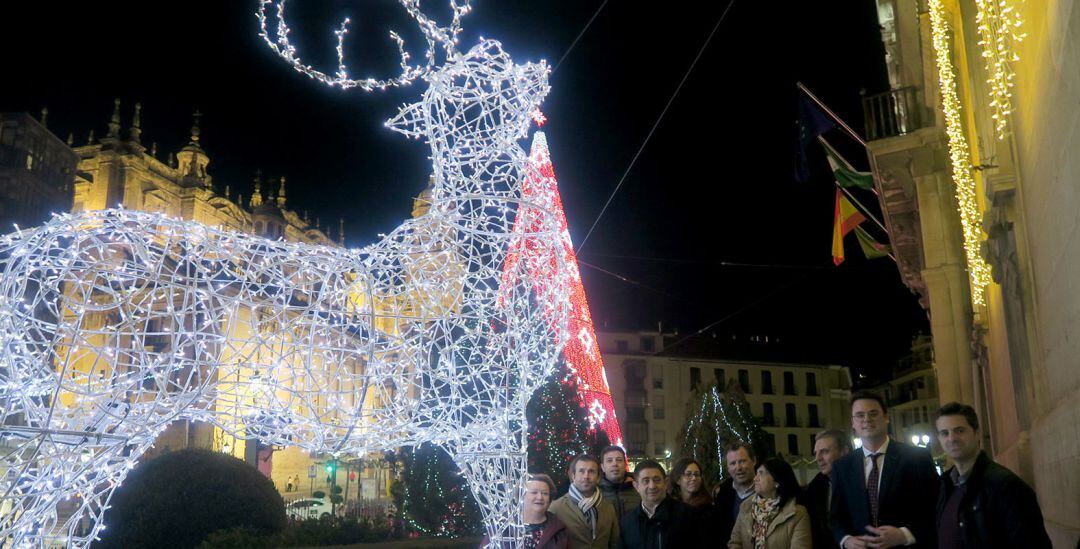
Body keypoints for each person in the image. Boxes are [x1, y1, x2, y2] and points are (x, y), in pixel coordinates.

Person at [934, 402, 1051, 549]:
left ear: (976, 433)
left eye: (959, 431)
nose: (952, 439)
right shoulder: (945, 486)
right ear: (939, 439)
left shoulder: (1006, 486)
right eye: (945, 433)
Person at [830, 391, 937, 549]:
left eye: (873, 413)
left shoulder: (917, 458)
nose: (866, 419)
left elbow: (935, 507)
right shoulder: (842, 466)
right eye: (860, 415)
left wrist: (904, 535)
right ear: (852, 423)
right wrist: (846, 540)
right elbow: (836, 517)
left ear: (886, 417)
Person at [728, 457, 811, 549]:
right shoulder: (746, 507)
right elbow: (735, 543)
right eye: (756, 473)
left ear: (777, 481)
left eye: (761, 473)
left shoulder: (797, 513)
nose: (755, 478)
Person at [617, 460, 699, 549]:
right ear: (636, 486)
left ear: (665, 483)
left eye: (657, 480)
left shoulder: (688, 515)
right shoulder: (627, 521)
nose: (652, 486)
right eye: (646, 481)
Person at [550, 454, 619, 548]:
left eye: (591, 471)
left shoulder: (608, 508)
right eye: (581, 471)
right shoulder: (556, 508)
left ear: (598, 478)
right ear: (573, 476)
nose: (586, 476)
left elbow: (614, 543)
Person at [807, 429, 852, 549]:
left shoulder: (864, 479)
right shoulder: (815, 487)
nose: (818, 458)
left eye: (824, 452)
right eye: (816, 453)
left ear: (844, 451)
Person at [712, 441, 756, 542]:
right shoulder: (722, 495)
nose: (738, 468)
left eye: (742, 461)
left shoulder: (768, 489)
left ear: (753, 461)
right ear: (728, 468)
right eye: (733, 463)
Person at [599, 445, 641, 519]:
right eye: (609, 460)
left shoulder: (639, 489)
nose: (615, 464)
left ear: (625, 464)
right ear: (602, 467)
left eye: (619, 460)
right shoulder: (595, 493)